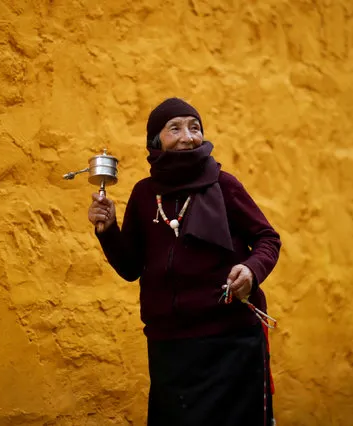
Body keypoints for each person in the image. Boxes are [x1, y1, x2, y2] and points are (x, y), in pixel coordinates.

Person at [88, 98, 281, 426]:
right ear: (155, 142)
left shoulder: (224, 185)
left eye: (195, 128)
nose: (188, 137)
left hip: (230, 344)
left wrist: (251, 270)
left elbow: (267, 238)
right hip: (170, 350)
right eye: (174, 128)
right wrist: (108, 232)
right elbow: (130, 267)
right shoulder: (146, 195)